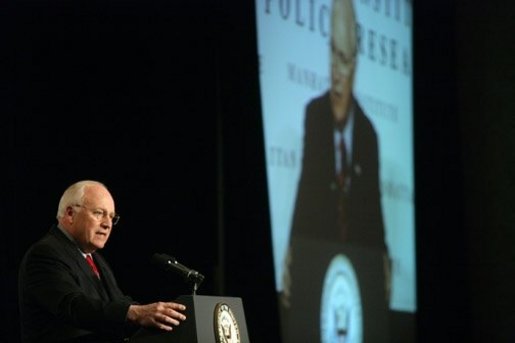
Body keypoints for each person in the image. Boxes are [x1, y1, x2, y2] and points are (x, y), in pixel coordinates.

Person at [280, 0, 391, 331]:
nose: (336, 69)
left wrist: (383, 257)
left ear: (355, 61)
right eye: (332, 53)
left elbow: (373, 204)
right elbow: (306, 184)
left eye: (344, 58)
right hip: (317, 253)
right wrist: (291, 249)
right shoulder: (314, 113)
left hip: (358, 258)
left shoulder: (369, 132)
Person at [18, 180, 187, 343]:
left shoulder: (95, 258)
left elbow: (117, 302)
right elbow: (73, 306)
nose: (107, 224)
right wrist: (135, 313)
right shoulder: (45, 253)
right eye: (99, 213)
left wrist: (161, 315)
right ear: (70, 214)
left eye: (112, 217)